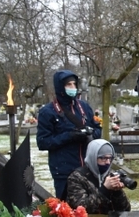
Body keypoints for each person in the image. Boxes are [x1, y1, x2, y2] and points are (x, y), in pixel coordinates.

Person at [36, 70, 102, 199]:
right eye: (68, 85)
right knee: (69, 213)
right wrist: (70, 136)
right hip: (64, 171)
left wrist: (90, 133)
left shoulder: (84, 107)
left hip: (88, 168)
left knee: (91, 209)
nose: (73, 88)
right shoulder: (48, 112)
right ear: (60, 87)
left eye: (74, 84)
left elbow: (98, 129)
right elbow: (43, 142)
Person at [64, 139, 131, 214]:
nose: (108, 162)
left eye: (110, 158)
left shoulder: (110, 175)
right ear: (93, 157)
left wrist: (117, 192)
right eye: (103, 158)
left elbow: (125, 210)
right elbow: (81, 209)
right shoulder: (76, 177)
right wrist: (104, 189)